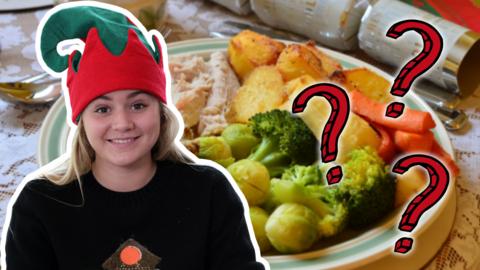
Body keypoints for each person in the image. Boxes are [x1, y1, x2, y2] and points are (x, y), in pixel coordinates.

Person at [1, 3, 267, 270]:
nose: (122, 123)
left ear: (161, 113)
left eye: (138, 105)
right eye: (102, 109)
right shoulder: (39, 208)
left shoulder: (210, 193)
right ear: (82, 121)